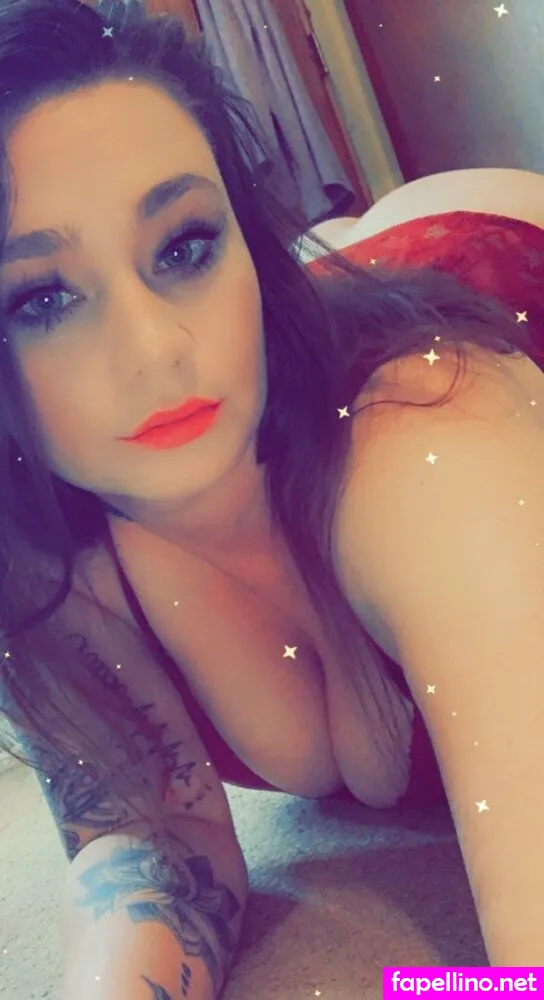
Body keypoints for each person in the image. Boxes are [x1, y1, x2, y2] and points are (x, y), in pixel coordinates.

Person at [1, 0, 544, 995]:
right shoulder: (48, 557)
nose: (154, 349)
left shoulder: (428, 441)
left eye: (185, 245)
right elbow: (149, 848)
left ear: (243, 240)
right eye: (42, 297)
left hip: (471, 270)